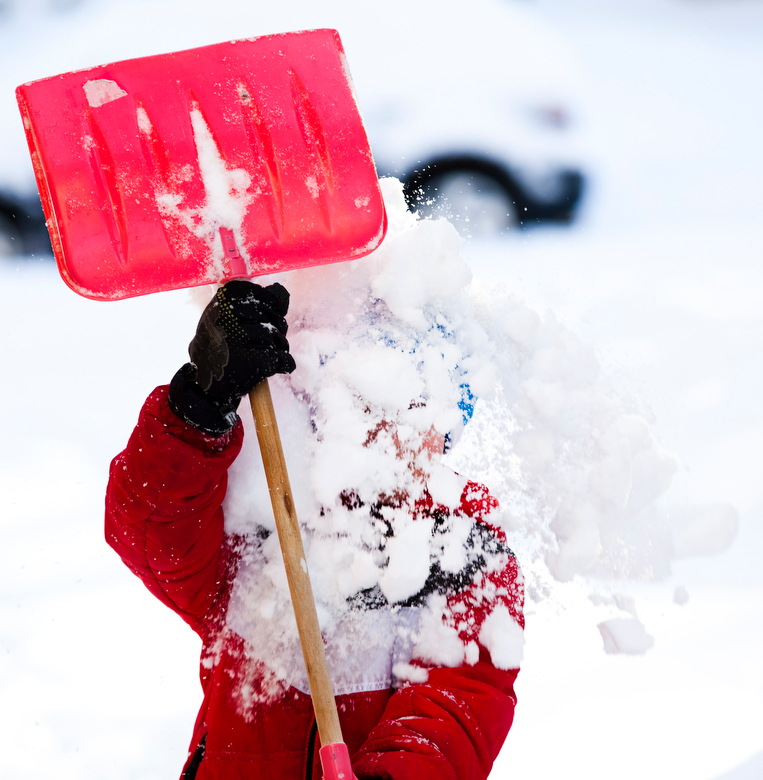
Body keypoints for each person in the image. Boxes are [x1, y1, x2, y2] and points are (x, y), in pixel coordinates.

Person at [106, 279, 524, 780]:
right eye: (363, 401)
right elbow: (151, 536)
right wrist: (202, 404)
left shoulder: (461, 543)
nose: (387, 431)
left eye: (414, 407)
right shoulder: (271, 508)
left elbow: (457, 709)